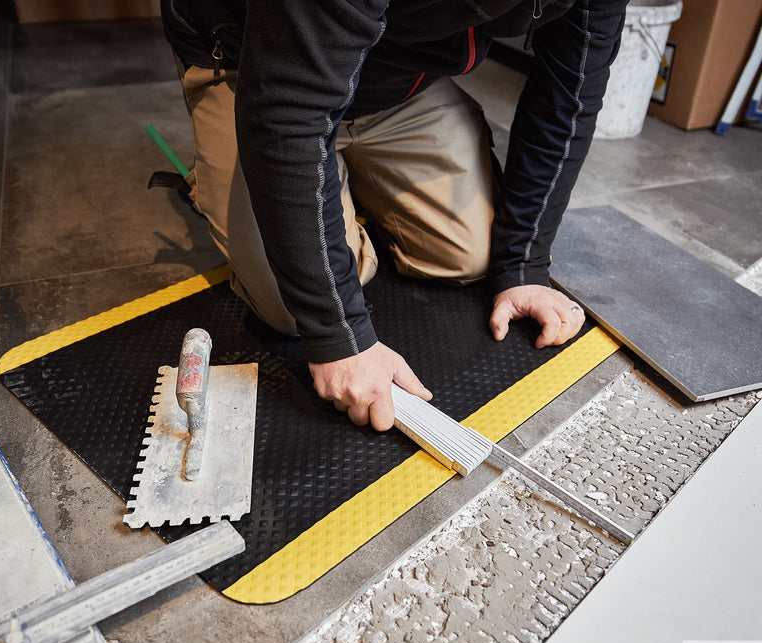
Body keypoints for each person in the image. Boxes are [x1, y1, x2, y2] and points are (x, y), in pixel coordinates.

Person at [161, 0, 628, 430]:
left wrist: (524, 264)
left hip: (397, 85)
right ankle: (262, 177)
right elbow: (286, 113)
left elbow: (569, 98)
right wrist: (340, 335)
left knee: (475, 255)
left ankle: (335, 177)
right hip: (257, 71)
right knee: (290, 309)